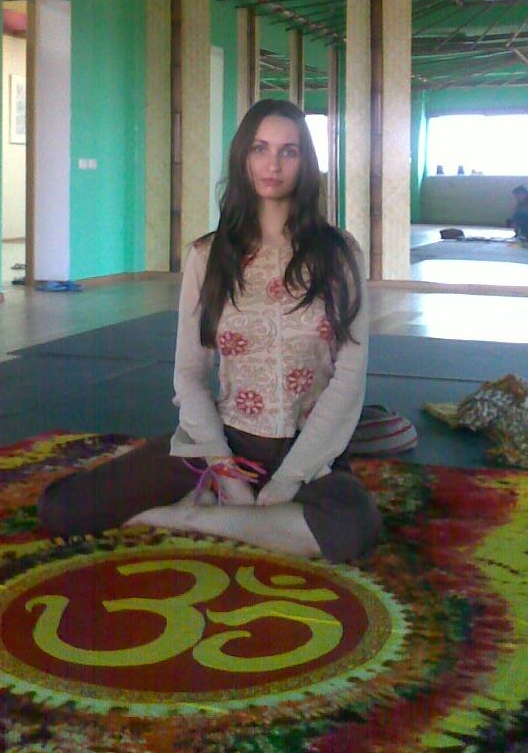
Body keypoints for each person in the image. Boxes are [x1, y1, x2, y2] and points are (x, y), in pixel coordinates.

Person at [39, 99, 381, 563]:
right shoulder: (208, 256)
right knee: (62, 509)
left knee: (353, 528)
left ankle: (192, 518)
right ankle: (250, 519)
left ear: (306, 163)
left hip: (309, 448)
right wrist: (224, 469)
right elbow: (189, 375)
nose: (273, 164)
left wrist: (289, 478)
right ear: (243, 157)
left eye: (289, 151)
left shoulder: (340, 255)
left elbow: (350, 376)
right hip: (227, 440)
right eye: (260, 148)